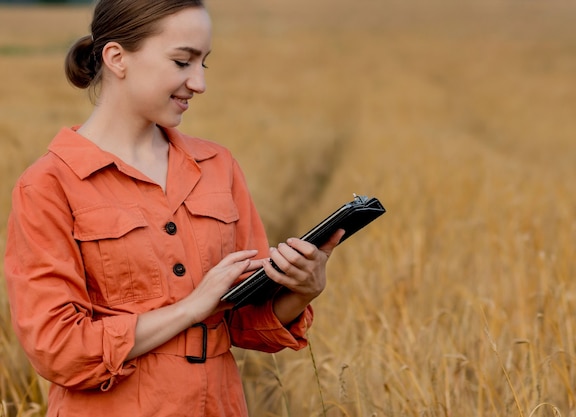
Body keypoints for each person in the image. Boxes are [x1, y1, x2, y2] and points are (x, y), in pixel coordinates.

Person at [3, 1, 343, 416]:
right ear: (116, 58)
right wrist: (189, 308)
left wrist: (302, 289)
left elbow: (244, 322)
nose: (198, 83)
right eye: (182, 62)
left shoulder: (218, 167)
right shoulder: (49, 185)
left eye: (204, 64)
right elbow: (58, 349)